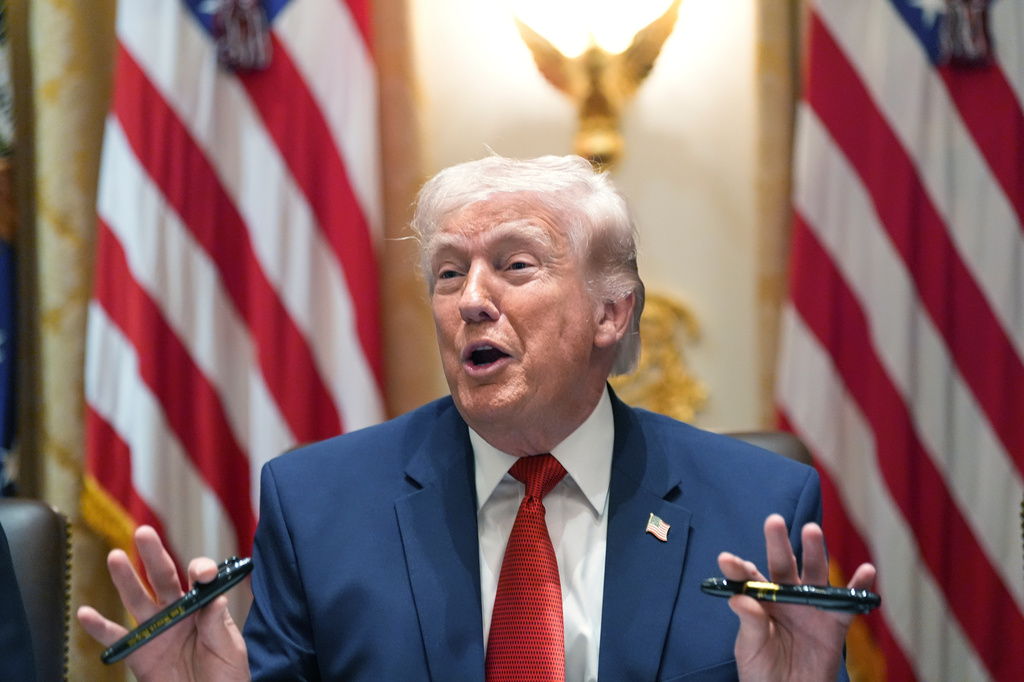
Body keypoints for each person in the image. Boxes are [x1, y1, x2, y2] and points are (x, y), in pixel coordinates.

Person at [79, 154, 875, 681]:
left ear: (611, 312)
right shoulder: (317, 506)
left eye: (515, 265)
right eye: (449, 272)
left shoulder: (758, 505)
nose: (471, 299)